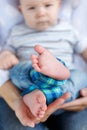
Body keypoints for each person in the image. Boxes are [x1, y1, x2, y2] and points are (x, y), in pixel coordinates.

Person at [0, 0, 87, 130]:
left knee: (79, 76)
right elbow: (8, 51)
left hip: (63, 83)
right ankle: (44, 75)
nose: (40, 13)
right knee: (19, 69)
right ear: (20, 10)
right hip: (29, 79)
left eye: (47, 5)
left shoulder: (68, 29)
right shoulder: (16, 31)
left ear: (59, 6)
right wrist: (6, 56)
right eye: (31, 8)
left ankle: (52, 78)